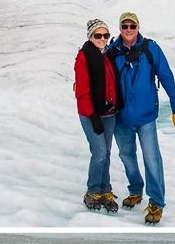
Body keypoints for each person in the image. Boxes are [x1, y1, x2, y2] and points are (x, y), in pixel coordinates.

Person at [109, 11, 175, 224]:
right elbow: (100, 77)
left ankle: (157, 202)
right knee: (126, 155)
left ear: (138, 27)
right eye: (124, 26)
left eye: (131, 26)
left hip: (146, 117)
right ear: (120, 28)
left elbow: (167, 77)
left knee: (152, 158)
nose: (128, 30)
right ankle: (136, 190)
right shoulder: (112, 51)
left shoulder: (151, 49)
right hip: (121, 117)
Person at [73, 18, 120, 213]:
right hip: (91, 114)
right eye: (98, 35)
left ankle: (105, 190)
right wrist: (93, 117)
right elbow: (82, 92)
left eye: (105, 35)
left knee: (107, 154)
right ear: (90, 36)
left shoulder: (107, 54)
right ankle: (92, 191)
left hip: (109, 114)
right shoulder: (84, 56)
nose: (102, 39)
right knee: (99, 153)